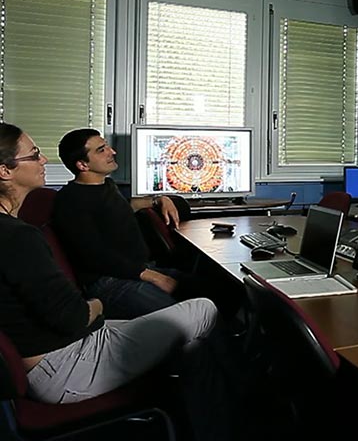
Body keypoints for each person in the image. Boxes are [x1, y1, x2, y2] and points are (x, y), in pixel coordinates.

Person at [0, 123, 241, 440]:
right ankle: (247, 385)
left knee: (194, 348)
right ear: (5, 170)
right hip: (63, 366)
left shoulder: (15, 230)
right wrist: (97, 305)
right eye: (34, 155)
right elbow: (73, 316)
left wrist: (157, 199)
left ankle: (222, 426)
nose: (43, 160)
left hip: (67, 349)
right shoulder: (19, 237)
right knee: (203, 310)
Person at [51, 128, 200, 319]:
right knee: (184, 318)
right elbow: (95, 256)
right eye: (101, 150)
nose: (112, 152)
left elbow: (124, 206)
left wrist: (158, 199)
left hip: (138, 270)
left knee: (220, 288)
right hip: (109, 281)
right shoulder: (70, 201)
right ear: (82, 165)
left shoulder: (106, 186)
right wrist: (155, 277)